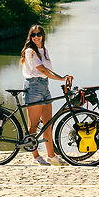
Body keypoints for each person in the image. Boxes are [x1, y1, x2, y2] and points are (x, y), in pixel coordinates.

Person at [20, 24, 73, 166]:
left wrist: (61, 78)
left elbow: (47, 71)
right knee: (34, 125)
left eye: (38, 34)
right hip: (33, 86)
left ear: (43, 35)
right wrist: (62, 78)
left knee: (48, 124)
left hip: (44, 86)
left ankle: (51, 155)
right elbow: (42, 69)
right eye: (33, 35)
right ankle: (36, 156)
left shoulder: (44, 50)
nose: (36, 37)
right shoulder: (30, 51)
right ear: (30, 37)